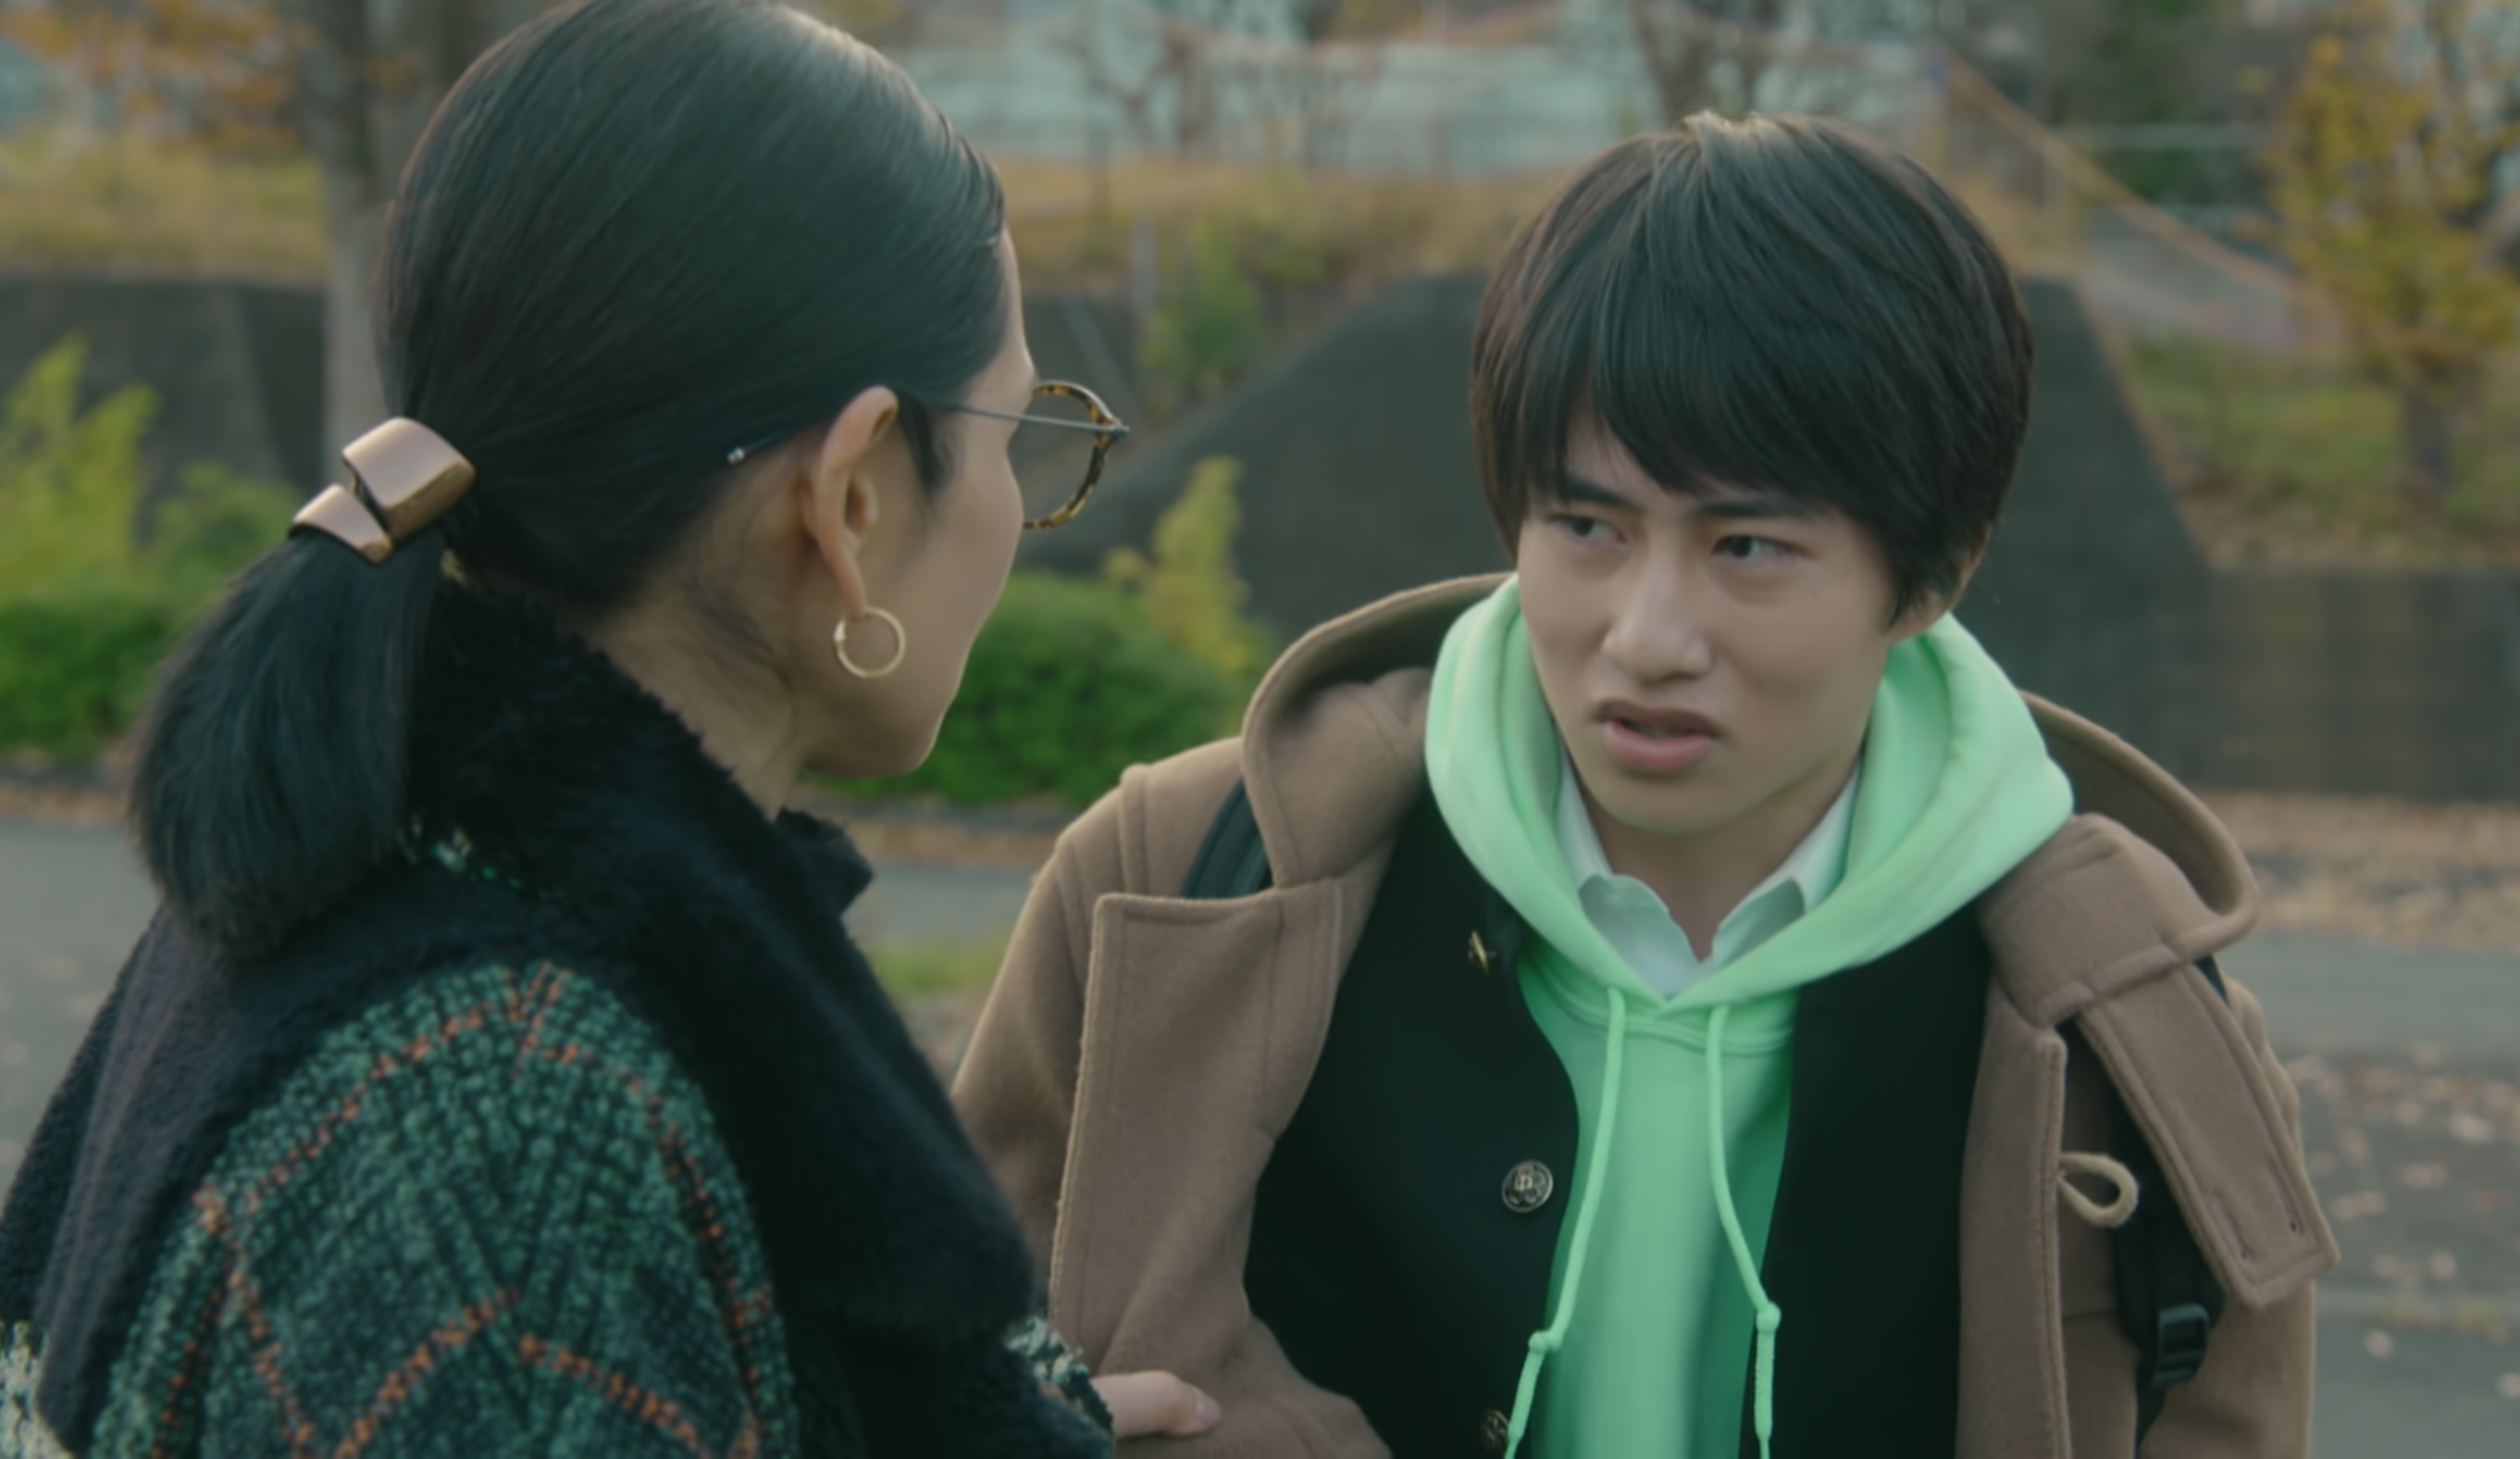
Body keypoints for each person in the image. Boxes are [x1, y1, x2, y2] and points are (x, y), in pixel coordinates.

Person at [954, 113, 2338, 1457]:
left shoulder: (2128, 1016)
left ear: (1935, 574)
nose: (1647, 637)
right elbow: (932, 1374)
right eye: (1586, 525)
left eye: (1747, 547)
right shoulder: (1173, 887)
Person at [0, 1, 1219, 1453]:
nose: (1019, 511)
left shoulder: (379, 873)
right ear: (850, 502)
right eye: (1018, 435)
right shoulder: (514, 1157)